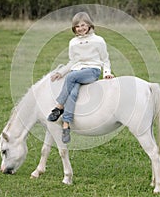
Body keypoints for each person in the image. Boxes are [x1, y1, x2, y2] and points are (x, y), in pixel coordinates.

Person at [47, 12, 114, 143]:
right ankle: (66, 125)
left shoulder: (98, 40)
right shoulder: (73, 42)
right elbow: (72, 61)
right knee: (73, 93)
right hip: (77, 71)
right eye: (77, 26)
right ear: (74, 28)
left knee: (71, 77)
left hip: (92, 71)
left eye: (83, 25)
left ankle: (58, 107)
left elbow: (105, 59)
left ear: (89, 25)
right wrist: (60, 73)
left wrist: (106, 73)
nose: (80, 28)